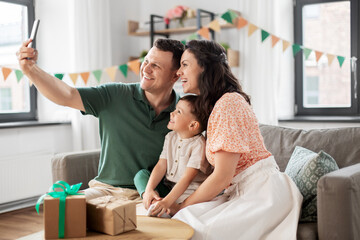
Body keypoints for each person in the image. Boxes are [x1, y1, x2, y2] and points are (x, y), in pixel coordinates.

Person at [17, 38, 185, 204]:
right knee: (63, 209)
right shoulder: (116, 95)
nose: (146, 69)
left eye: (155, 66)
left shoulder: (185, 113)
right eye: (146, 61)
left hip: (150, 195)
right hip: (106, 190)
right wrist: (30, 69)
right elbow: (66, 95)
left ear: (174, 77)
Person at [171, 40, 303, 240]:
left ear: (205, 67)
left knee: (190, 226)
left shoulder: (228, 103)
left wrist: (182, 206)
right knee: (184, 220)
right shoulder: (220, 105)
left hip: (264, 195)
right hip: (247, 191)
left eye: (185, 64)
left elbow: (222, 177)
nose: (179, 72)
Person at [134, 95, 211, 217]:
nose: (172, 113)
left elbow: (187, 179)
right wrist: (149, 189)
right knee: (141, 175)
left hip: (187, 193)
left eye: (178, 112)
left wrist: (167, 201)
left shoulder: (199, 145)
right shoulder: (170, 137)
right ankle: (150, 198)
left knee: (174, 201)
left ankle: (165, 206)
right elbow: (161, 165)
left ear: (192, 125)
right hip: (169, 187)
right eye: (175, 109)